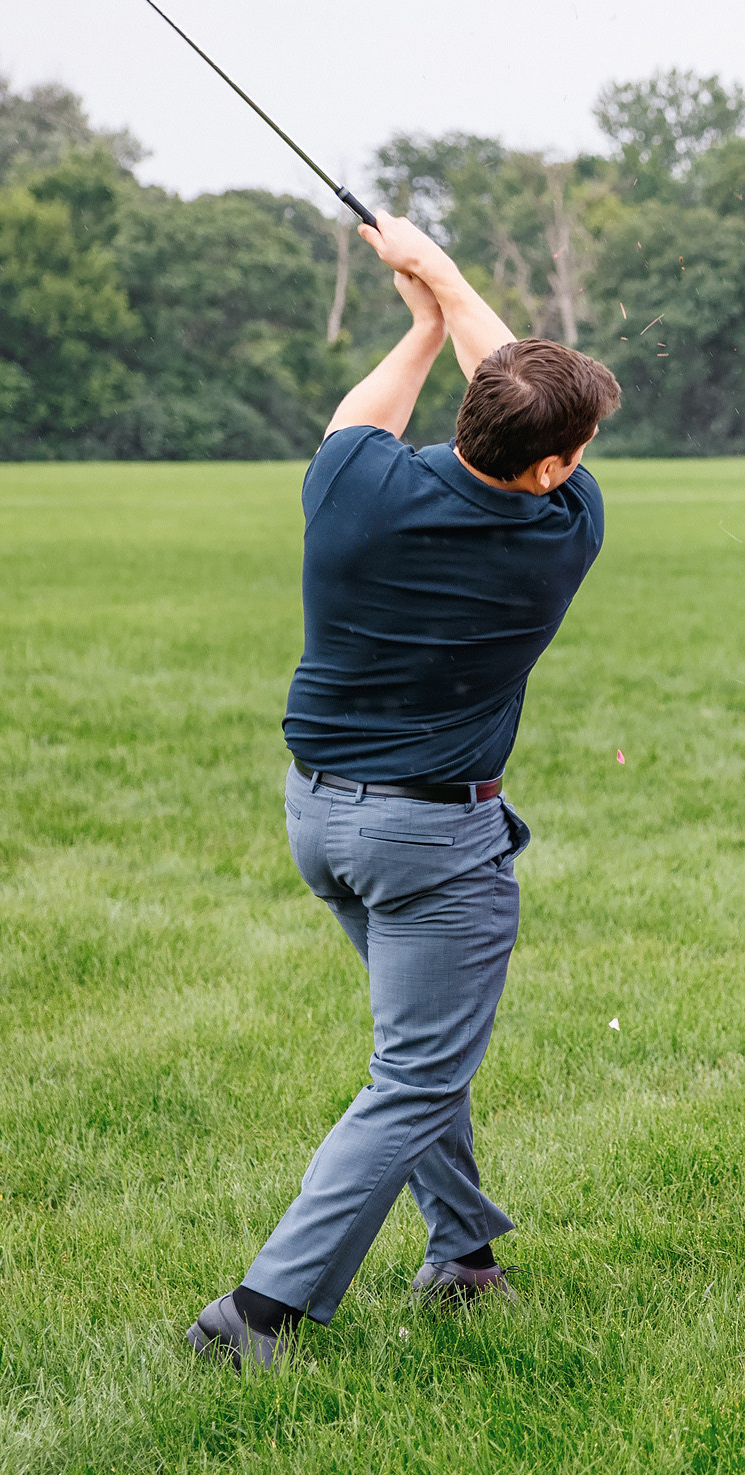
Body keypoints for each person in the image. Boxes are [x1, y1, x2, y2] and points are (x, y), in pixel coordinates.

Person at [188, 213, 619, 1371]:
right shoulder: (562, 530)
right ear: (550, 470)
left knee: (423, 1052)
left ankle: (462, 1257)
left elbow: (443, 395)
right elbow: (510, 375)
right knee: (417, 1075)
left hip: (319, 819)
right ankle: (258, 1314)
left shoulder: (352, 484)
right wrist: (443, 278)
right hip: (432, 842)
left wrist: (425, 313)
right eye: (576, 447)